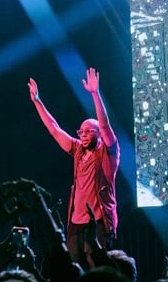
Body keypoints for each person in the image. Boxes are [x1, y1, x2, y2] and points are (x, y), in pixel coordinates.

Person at [28, 68, 120, 267]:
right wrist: (38, 101)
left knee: (97, 270)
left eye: (88, 131)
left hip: (99, 224)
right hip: (76, 224)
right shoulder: (78, 149)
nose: (83, 134)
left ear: (98, 134)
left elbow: (104, 126)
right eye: (81, 131)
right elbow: (54, 129)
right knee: (75, 270)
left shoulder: (108, 152)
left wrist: (94, 94)